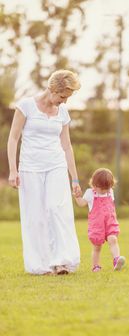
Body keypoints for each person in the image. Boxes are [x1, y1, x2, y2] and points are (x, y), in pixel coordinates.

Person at [7, 70, 81, 275]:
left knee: (57, 209)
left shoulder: (63, 114)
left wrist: (74, 178)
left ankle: (62, 261)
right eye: (63, 97)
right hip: (30, 167)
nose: (64, 102)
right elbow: (13, 139)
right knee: (36, 216)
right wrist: (13, 170)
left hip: (56, 165)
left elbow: (67, 146)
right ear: (53, 89)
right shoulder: (26, 106)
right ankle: (41, 265)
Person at [74, 168, 126, 272]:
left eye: (106, 188)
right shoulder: (90, 193)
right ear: (94, 184)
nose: (104, 191)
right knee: (97, 247)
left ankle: (116, 260)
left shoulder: (110, 192)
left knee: (113, 239)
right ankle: (96, 266)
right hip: (97, 225)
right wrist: (77, 197)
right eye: (101, 188)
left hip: (110, 222)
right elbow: (81, 203)